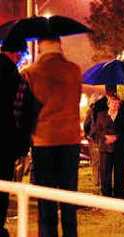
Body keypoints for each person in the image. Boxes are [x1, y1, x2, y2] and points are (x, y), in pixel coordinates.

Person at [22, 36, 82, 237]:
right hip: (70, 140)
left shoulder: (31, 72)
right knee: (68, 199)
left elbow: (26, 110)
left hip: (44, 140)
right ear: (59, 45)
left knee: (46, 202)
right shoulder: (74, 70)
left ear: (40, 47)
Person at [0, 39, 34, 237]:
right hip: (6, 144)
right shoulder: (17, 80)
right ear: (17, 54)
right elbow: (23, 113)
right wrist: (22, 147)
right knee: (3, 187)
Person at [95, 96, 124, 198]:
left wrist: (116, 137)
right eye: (113, 103)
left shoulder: (123, 116)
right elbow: (96, 130)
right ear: (108, 104)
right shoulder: (101, 115)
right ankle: (106, 193)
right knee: (105, 172)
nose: (115, 105)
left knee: (119, 172)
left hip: (119, 148)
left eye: (117, 103)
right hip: (105, 148)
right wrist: (105, 137)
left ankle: (119, 193)